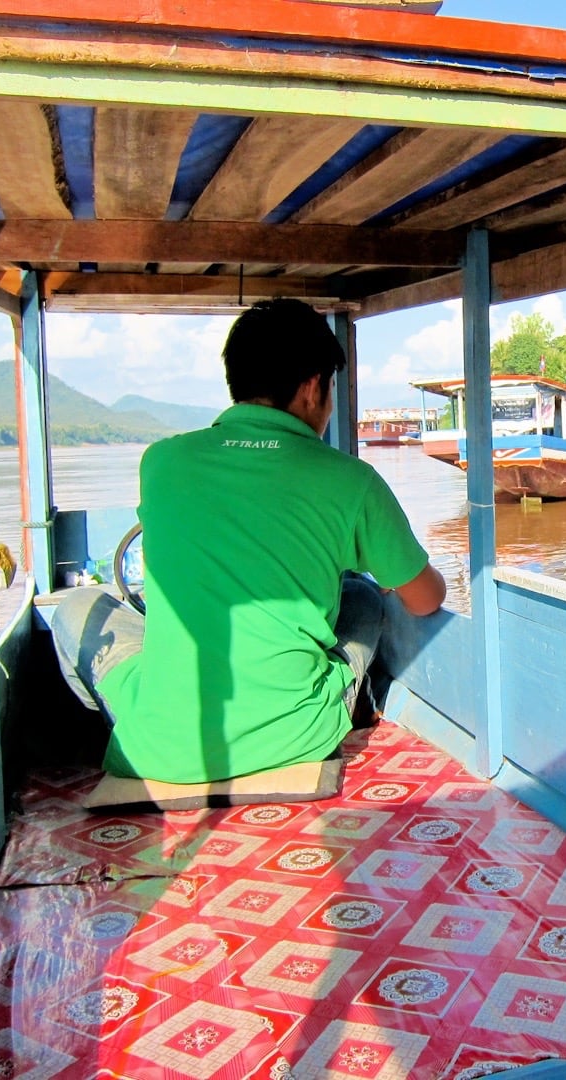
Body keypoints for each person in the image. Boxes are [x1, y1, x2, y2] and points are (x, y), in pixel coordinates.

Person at [50, 299, 446, 784]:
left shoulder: (161, 462)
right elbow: (426, 599)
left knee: (75, 608)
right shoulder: (352, 480)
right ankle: (351, 700)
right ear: (312, 387)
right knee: (362, 594)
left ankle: (126, 729)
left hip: (162, 751)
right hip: (300, 737)